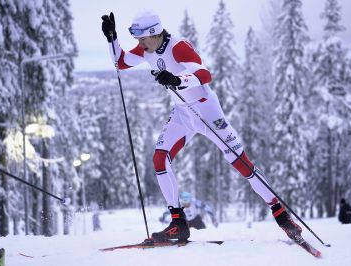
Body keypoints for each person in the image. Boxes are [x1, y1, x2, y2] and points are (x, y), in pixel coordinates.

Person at [101, 11, 302, 242]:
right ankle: (178, 223)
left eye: (142, 38)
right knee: (160, 158)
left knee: (240, 162)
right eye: (136, 39)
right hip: (182, 113)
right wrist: (112, 38)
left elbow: (205, 74)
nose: (139, 43)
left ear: (154, 33)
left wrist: (178, 80)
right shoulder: (148, 49)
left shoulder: (178, 46)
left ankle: (281, 216)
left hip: (207, 111)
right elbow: (121, 62)